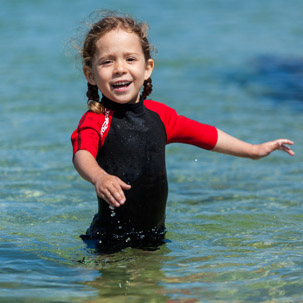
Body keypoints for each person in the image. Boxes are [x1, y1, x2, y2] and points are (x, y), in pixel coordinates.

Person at [71, 11, 294, 252]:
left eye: (130, 59)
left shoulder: (161, 116)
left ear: (147, 68)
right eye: (107, 61)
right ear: (90, 74)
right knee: (101, 285)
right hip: (108, 236)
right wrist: (99, 177)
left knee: (152, 287)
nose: (119, 69)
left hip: (153, 233)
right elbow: (82, 155)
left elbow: (207, 135)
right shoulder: (96, 119)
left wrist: (253, 150)